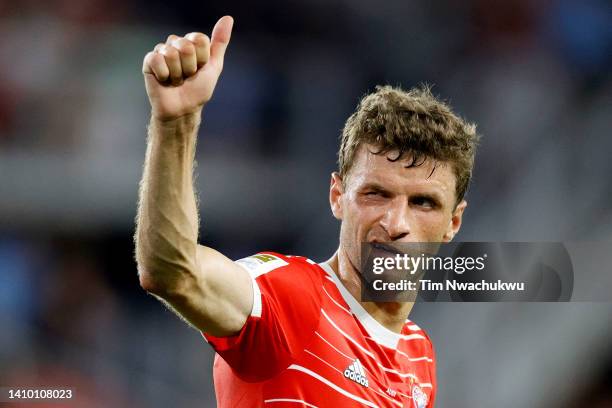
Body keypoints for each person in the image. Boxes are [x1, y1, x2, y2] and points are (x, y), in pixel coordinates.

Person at [136, 15, 478, 407]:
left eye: (423, 203)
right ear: (337, 196)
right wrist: (176, 123)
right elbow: (174, 273)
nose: (396, 224)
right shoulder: (294, 300)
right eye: (376, 194)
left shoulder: (418, 354)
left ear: (454, 221)